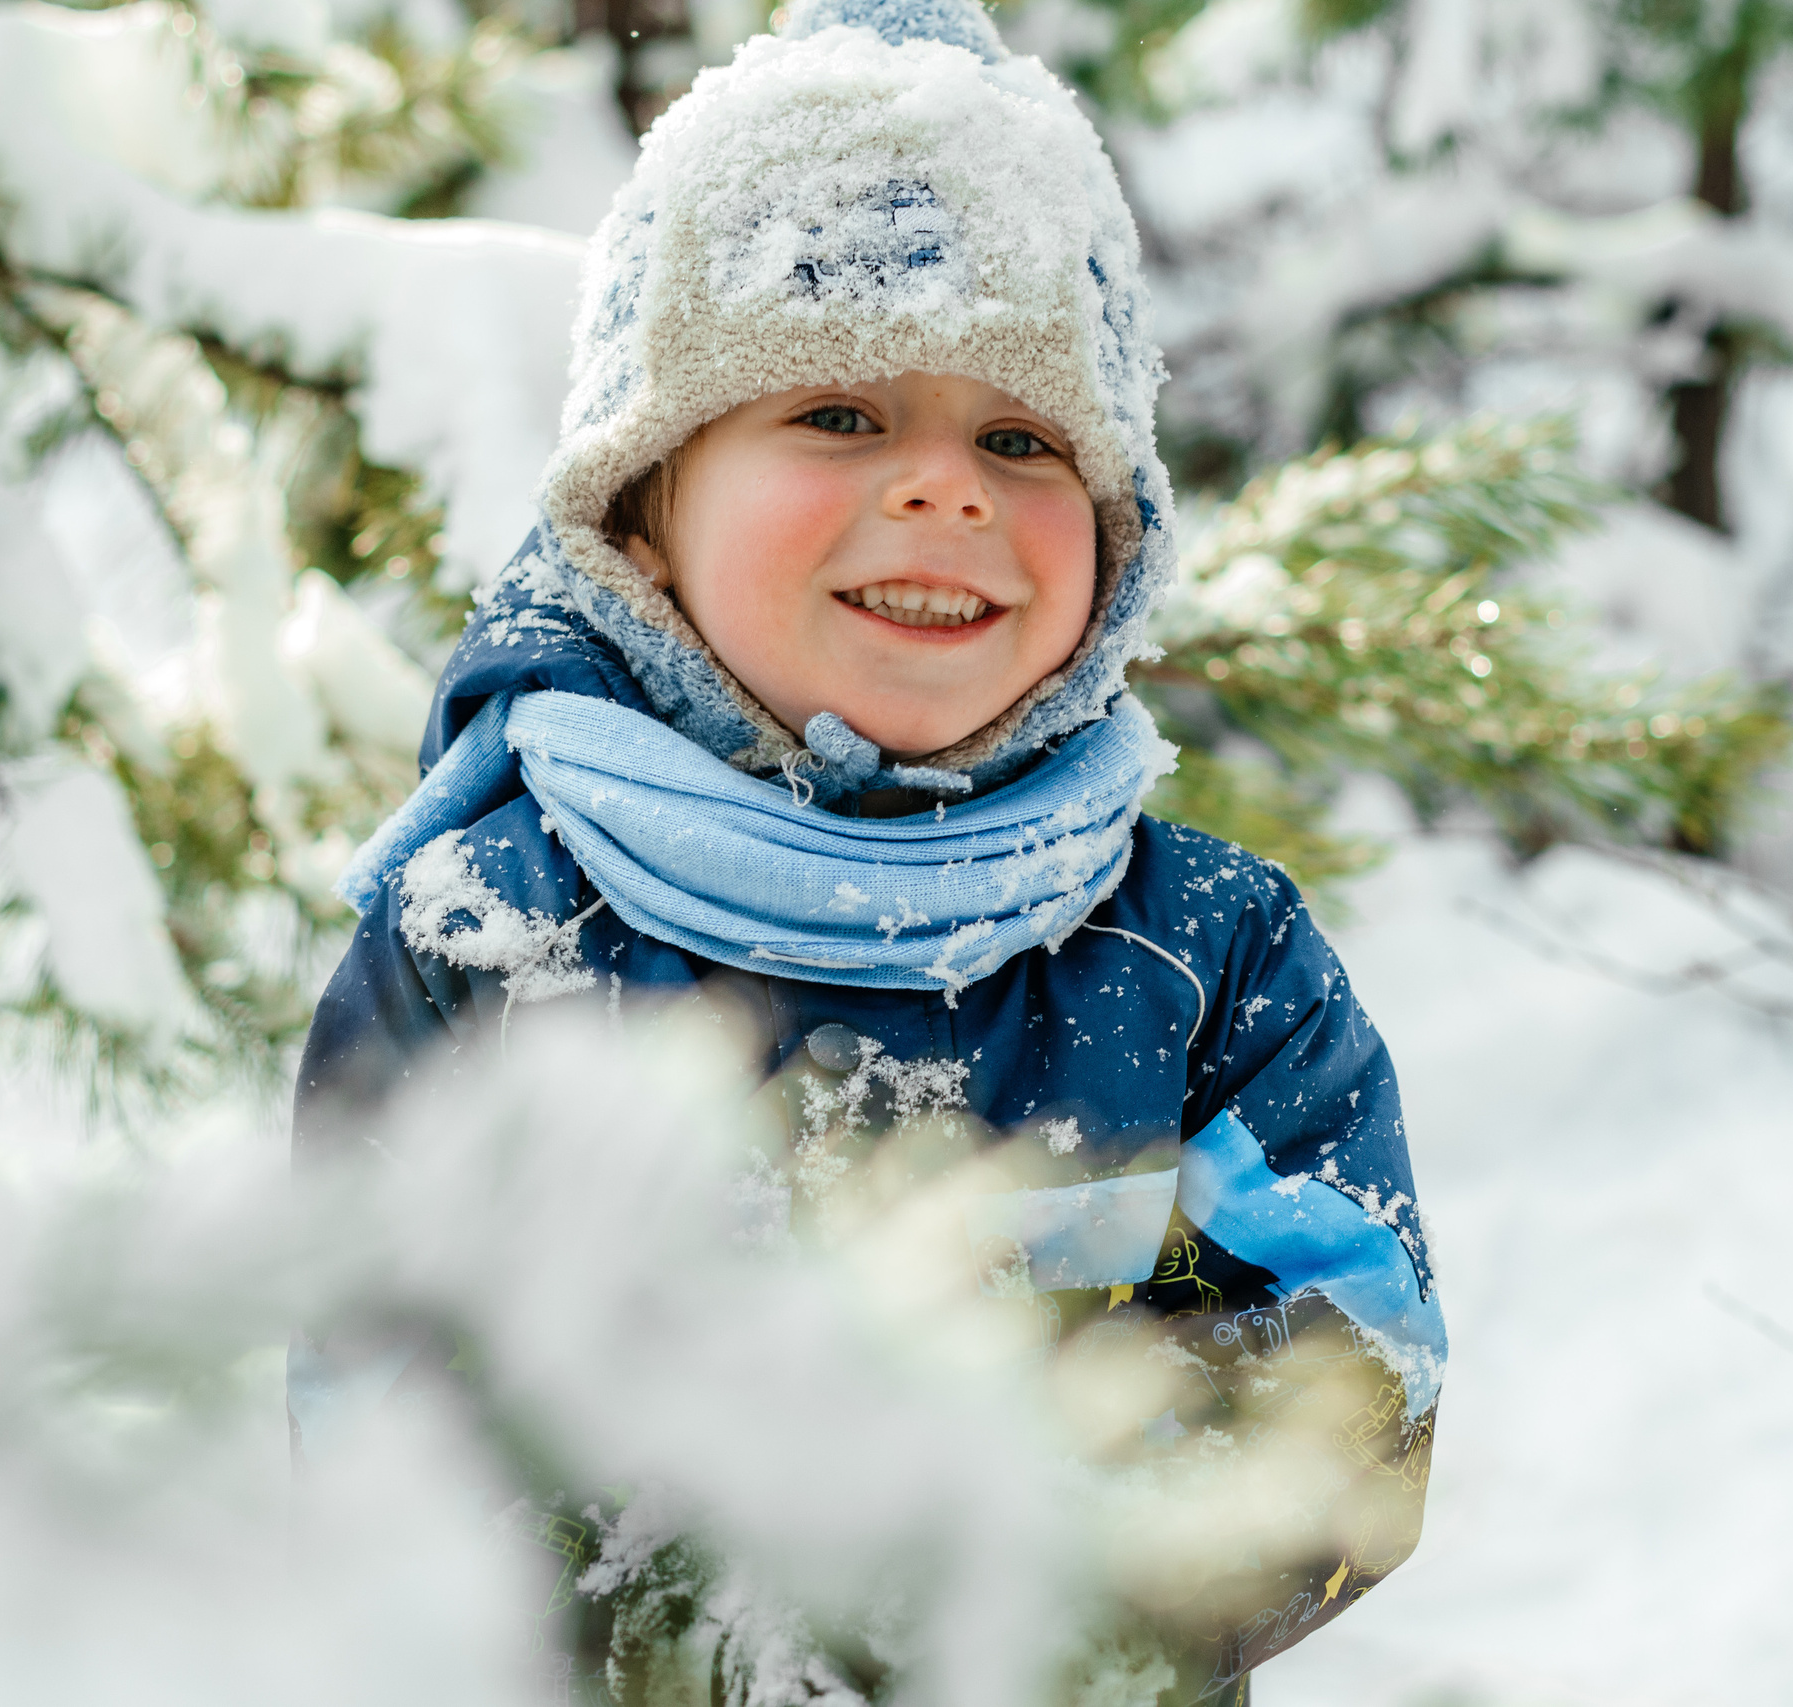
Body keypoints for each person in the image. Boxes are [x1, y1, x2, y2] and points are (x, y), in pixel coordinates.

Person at [293, 0, 1443, 1698]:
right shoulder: (496, 928)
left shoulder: (1206, 954)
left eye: (1022, 437)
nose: (946, 490)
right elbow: (377, 1409)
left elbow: (1351, 1383)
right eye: (839, 412)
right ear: (644, 505)